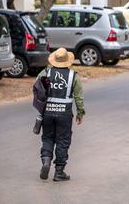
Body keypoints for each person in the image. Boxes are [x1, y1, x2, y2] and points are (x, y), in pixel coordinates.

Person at [37, 47, 85, 181]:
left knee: (47, 138)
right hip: (64, 114)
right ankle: (59, 172)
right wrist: (80, 113)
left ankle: (46, 161)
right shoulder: (73, 76)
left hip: (47, 113)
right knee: (63, 141)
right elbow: (78, 97)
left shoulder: (45, 72)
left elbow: (37, 88)